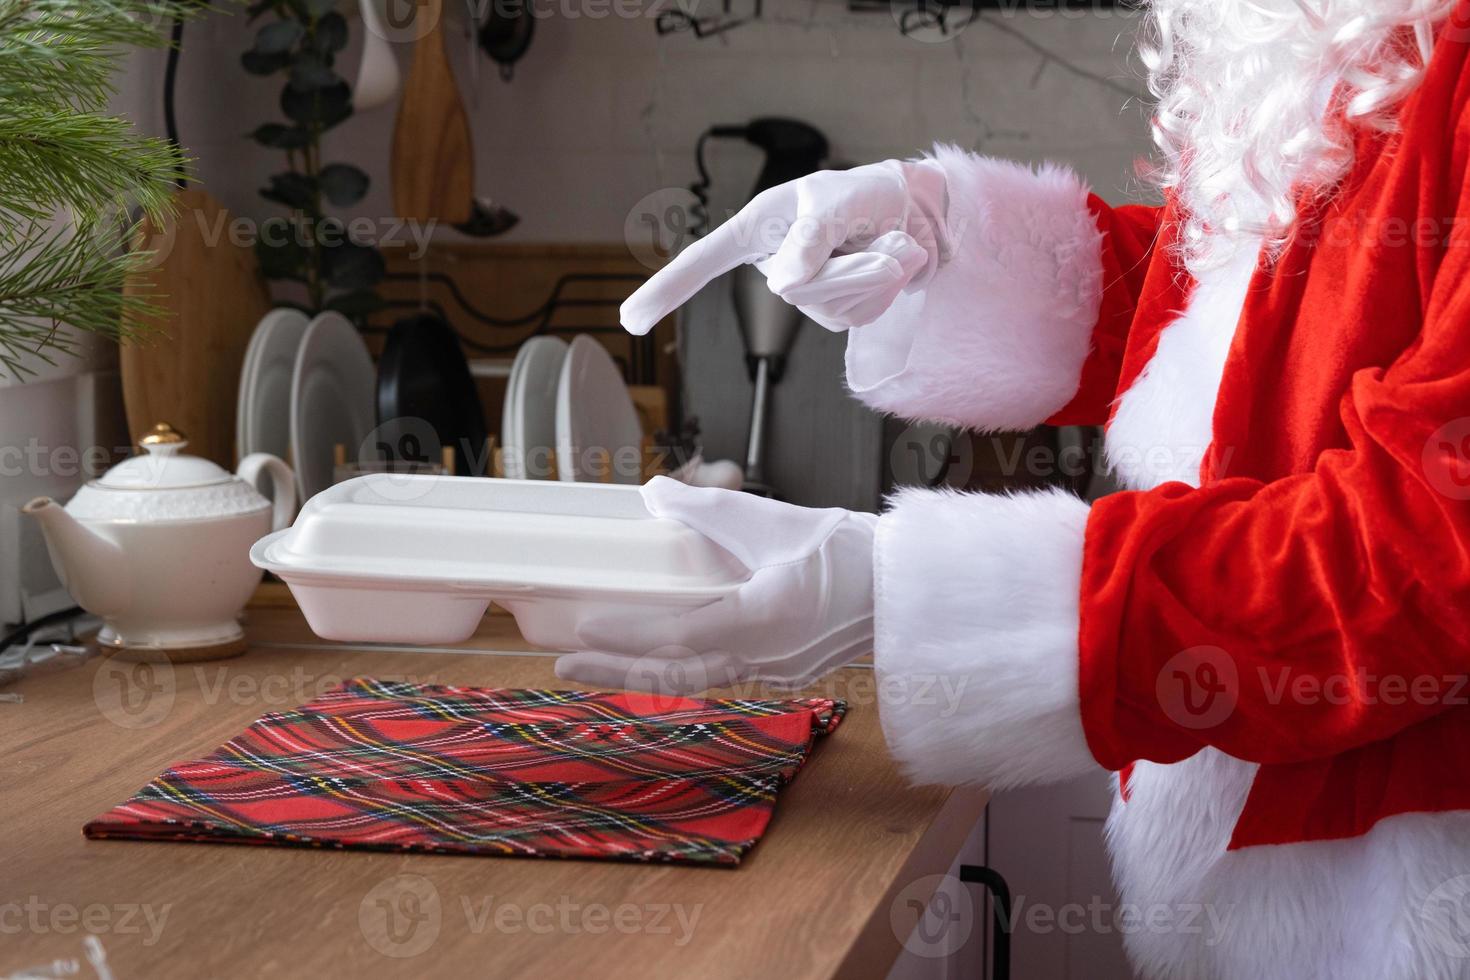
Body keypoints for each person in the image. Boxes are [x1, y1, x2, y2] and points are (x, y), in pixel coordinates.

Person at [555, 1, 1470, 975]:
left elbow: (1423, 550)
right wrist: (937, 235)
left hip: (1401, 894)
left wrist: (920, 592)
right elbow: (1250, 319)